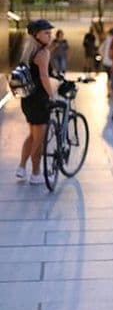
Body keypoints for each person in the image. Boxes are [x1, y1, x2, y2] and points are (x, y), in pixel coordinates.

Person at [16, 19, 56, 185]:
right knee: (39, 140)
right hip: (39, 100)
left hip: (27, 98)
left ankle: (21, 167)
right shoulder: (42, 53)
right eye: (46, 33)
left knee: (33, 135)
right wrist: (52, 95)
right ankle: (36, 174)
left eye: (50, 32)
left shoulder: (27, 51)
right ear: (36, 35)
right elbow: (44, 77)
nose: (50, 35)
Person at [99, 27, 113, 106]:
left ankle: (108, 92)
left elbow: (100, 50)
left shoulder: (106, 41)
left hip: (106, 62)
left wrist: (104, 57)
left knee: (108, 77)